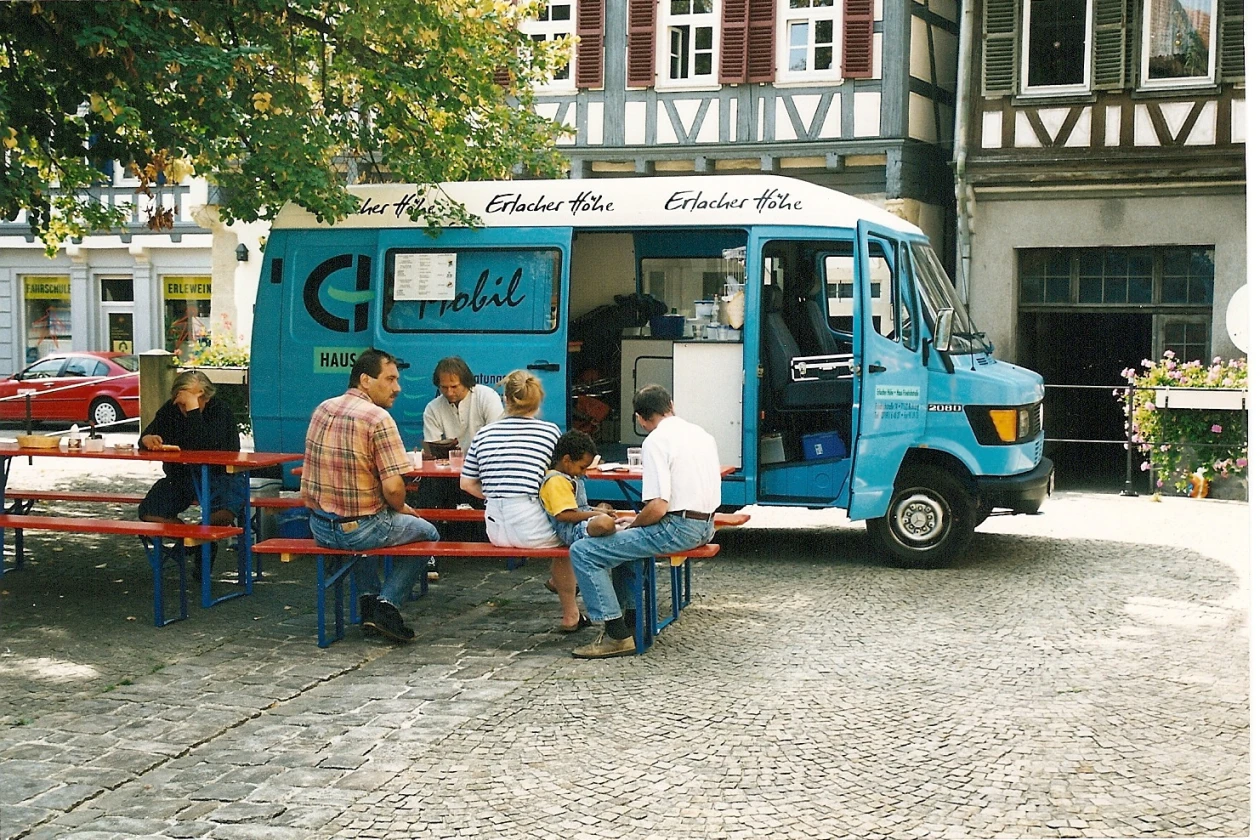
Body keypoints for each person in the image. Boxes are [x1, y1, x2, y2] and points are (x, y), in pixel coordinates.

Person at [568, 384, 721, 659]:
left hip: (679, 527)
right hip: (707, 525)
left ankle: (616, 635)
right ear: (671, 405)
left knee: (584, 551)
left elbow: (659, 506)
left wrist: (634, 525)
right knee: (624, 545)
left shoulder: (656, 441)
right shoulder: (701, 434)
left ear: (640, 418)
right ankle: (633, 620)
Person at [301, 348, 440, 644]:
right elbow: (392, 488)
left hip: (320, 527)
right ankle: (386, 606)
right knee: (428, 533)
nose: (398, 387)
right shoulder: (378, 418)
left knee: (368, 522)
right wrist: (402, 507)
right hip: (359, 530)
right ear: (365, 379)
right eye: (390, 379)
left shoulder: (323, 408)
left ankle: (366, 599)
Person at [459, 371, 587, 632]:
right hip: (532, 528)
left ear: (506, 399)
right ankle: (570, 614)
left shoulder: (484, 434)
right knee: (569, 535)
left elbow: (467, 484)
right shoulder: (550, 432)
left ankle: (560, 586)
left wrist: (497, 493)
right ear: (538, 402)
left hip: (495, 529)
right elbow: (561, 476)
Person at [416, 356, 504, 581]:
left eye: (454, 386)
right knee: (428, 486)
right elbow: (432, 445)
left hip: (483, 473)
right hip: (450, 475)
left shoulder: (487, 397)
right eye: (444, 387)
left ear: (467, 382)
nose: (449, 392)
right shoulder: (433, 408)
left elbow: (496, 437)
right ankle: (430, 553)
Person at [139, 370, 247, 529]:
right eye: (182, 403)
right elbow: (146, 436)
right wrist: (146, 439)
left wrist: (193, 410)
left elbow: (204, 447)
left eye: (189, 402)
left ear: (207, 397)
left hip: (220, 476)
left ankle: (199, 540)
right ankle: (188, 542)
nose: (184, 408)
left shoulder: (221, 411)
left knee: (224, 513)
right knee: (149, 512)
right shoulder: (170, 409)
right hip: (182, 477)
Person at [541, 430, 617, 546]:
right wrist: (596, 515)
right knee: (605, 522)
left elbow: (581, 508)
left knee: (605, 507)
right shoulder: (556, 481)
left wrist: (599, 511)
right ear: (567, 460)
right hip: (572, 531)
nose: (584, 472)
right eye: (582, 467)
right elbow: (564, 515)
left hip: (581, 523)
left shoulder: (568, 477)